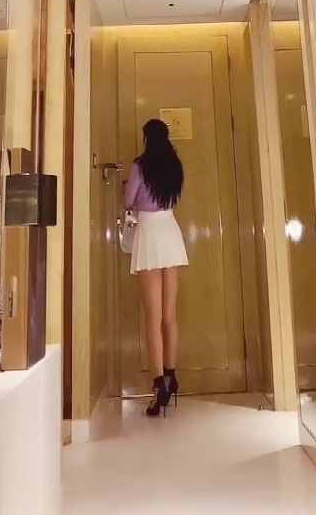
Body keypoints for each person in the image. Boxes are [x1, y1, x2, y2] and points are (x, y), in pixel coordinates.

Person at [124, 118, 189, 417]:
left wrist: (130, 193)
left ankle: (158, 384)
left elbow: (129, 200)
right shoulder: (175, 166)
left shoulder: (140, 166)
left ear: (146, 138)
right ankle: (172, 375)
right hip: (170, 231)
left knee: (153, 317)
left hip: (149, 233)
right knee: (169, 316)